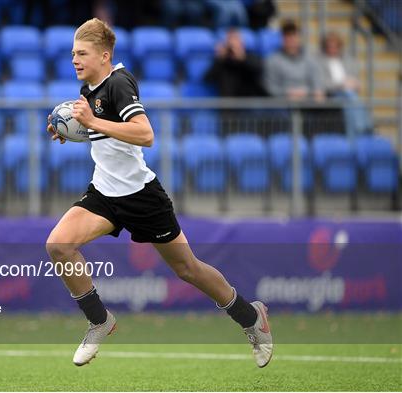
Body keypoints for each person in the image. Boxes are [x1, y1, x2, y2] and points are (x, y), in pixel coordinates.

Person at [45, 18, 273, 368]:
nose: (74, 60)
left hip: (141, 196)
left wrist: (91, 123)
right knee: (59, 245)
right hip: (105, 193)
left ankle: (251, 317)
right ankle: (99, 320)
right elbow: (106, 134)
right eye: (72, 53)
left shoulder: (119, 82)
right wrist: (73, 131)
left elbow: (145, 134)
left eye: (82, 53)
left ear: (104, 56)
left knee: (188, 269)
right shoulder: (89, 88)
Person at [318, 31, 373, 138]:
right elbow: (322, 83)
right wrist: (341, 85)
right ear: (325, 47)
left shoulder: (347, 60)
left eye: (336, 47)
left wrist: (354, 83)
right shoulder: (320, 62)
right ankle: (363, 127)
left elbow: (354, 79)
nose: (333, 50)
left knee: (350, 99)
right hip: (332, 95)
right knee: (351, 98)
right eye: (329, 47)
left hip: (348, 94)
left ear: (340, 47)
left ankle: (357, 133)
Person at [204, 28, 267, 97]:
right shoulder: (222, 62)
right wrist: (220, 58)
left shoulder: (251, 57)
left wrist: (242, 58)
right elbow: (207, 79)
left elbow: (259, 71)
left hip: (248, 104)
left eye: (236, 40)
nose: (232, 45)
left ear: (242, 43)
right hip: (228, 105)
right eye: (230, 41)